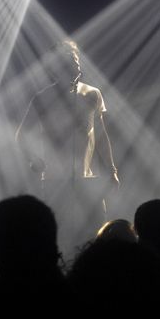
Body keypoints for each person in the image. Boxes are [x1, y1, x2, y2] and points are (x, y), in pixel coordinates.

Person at [15, 40, 119, 245]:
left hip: (87, 179)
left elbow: (101, 136)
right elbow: (21, 135)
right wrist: (32, 159)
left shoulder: (93, 93)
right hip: (55, 181)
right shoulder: (42, 97)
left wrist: (112, 169)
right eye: (67, 62)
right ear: (54, 68)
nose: (75, 66)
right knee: (58, 237)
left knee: (95, 237)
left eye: (75, 60)